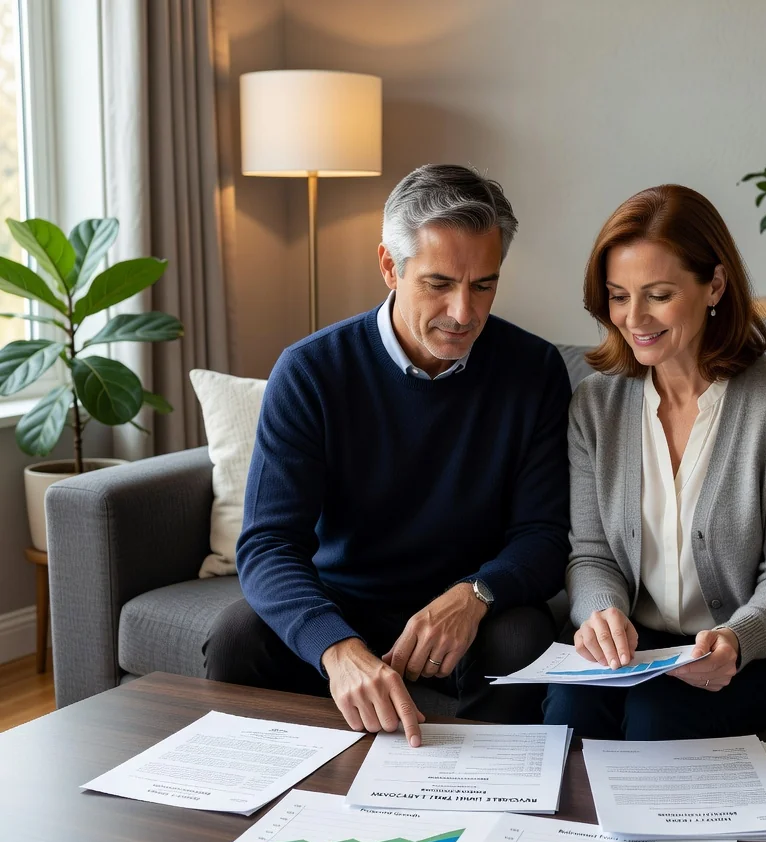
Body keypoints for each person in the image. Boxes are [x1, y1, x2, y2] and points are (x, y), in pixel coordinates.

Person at [205, 164, 571, 745]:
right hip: (344, 600)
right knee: (236, 638)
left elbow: (545, 536)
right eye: (438, 283)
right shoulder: (311, 371)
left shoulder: (535, 371)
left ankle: (485, 809)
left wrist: (477, 594)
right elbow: (269, 542)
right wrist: (335, 646)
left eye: (483, 285)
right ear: (388, 267)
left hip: (471, 610)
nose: (463, 312)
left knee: (524, 640)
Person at [543, 185, 766, 741]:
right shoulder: (595, 404)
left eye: (658, 295)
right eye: (618, 296)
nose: (633, 318)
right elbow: (591, 554)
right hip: (647, 646)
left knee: (658, 715)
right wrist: (600, 613)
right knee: (570, 708)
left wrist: (737, 639)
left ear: (714, 284)